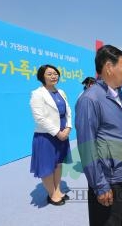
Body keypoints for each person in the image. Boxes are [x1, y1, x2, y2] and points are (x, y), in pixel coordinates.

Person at [75, 45, 122, 226]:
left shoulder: (118, 94)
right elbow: (87, 147)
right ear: (109, 67)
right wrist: (99, 185)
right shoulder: (90, 99)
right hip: (109, 181)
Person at [29, 64, 72, 206]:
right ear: (42, 77)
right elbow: (39, 118)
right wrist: (57, 132)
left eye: (55, 73)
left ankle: (58, 190)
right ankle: (52, 194)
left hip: (62, 134)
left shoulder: (61, 91)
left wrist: (68, 127)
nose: (54, 76)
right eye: (49, 74)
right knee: (47, 166)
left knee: (58, 164)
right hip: (46, 136)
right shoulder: (37, 93)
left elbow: (68, 111)